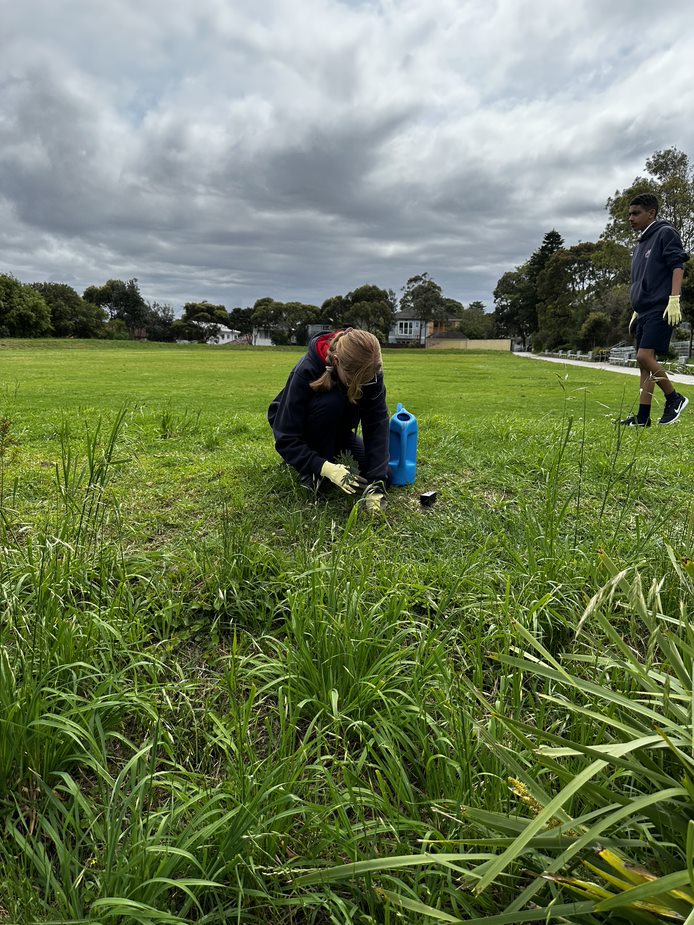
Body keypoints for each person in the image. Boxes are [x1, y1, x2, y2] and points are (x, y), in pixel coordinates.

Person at [268, 328, 389, 512]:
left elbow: (377, 424)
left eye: (368, 380)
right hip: (304, 433)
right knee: (332, 402)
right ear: (337, 362)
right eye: (354, 381)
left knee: (381, 473)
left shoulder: (370, 372)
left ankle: (330, 455)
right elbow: (286, 438)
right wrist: (325, 468)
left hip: (338, 431)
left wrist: (377, 483)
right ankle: (312, 472)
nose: (363, 386)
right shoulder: (306, 370)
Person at [619, 193, 689, 427]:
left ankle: (674, 398)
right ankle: (643, 418)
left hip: (661, 307)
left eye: (636, 213)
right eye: (629, 214)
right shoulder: (640, 245)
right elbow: (641, 280)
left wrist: (674, 298)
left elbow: (677, 265)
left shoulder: (665, 233)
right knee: (644, 365)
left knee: (644, 356)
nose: (630, 218)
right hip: (644, 310)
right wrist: (636, 308)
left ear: (651, 213)